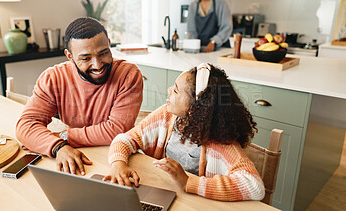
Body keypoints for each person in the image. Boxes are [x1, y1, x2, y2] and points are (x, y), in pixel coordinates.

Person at [104, 63, 265, 201]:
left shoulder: (218, 141)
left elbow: (255, 187)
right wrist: (118, 165)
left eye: (175, 91)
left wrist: (189, 183)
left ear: (196, 108)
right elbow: (125, 139)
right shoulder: (167, 116)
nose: (168, 90)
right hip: (161, 194)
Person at [16, 17, 143, 176]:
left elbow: (117, 130)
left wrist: (64, 136)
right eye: (86, 58)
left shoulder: (128, 74)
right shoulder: (53, 78)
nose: (97, 65)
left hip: (118, 159)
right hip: (77, 158)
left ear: (109, 43)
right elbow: (26, 125)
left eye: (103, 53)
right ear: (69, 56)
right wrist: (58, 146)